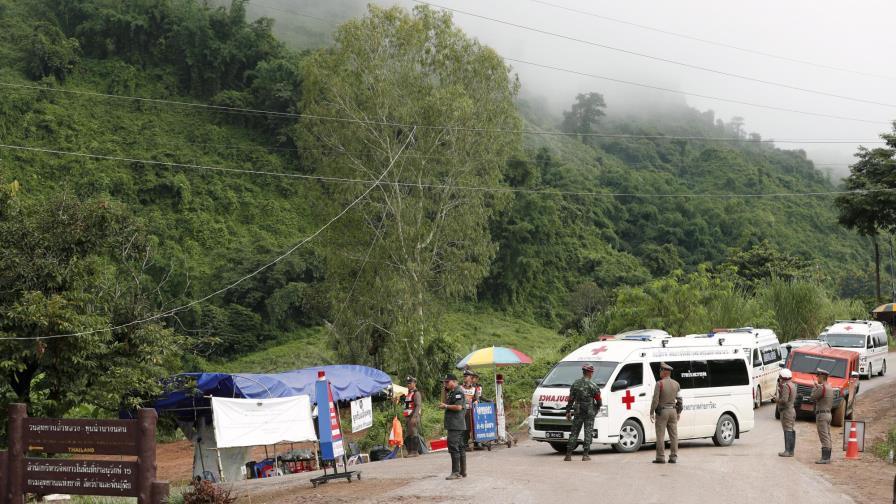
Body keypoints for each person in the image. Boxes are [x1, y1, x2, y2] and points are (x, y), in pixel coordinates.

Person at [564, 363, 601, 461]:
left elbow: (571, 399)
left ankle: (568, 455)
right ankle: (585, 455)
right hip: (589, 411)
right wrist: (596, 408)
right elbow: (599, 400)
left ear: (583, 372)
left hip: (578, 410)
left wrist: (568, 411)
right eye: (592, 372)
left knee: (574, 432)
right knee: (588, 432)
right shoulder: (593, 385)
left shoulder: (575, 384)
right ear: (589, 372)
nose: (592, 374)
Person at [650, 362, 682, 464]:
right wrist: (678, 412)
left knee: (660, 435)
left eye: (660, 371)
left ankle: (660, 457)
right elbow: (680, 400)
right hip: (673, 411)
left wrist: (651, 412)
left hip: (662, 412)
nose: (659, 372)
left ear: (664, 372)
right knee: (674, 436)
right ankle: (673, 457)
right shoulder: (677, 384)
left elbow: (655, 400)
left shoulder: (659, 384)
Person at [440, 373, 468, 479]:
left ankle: (456, 472)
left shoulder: (458, 391)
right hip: (455, 424)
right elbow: (443, 400)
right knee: (460, 447)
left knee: (453, 446)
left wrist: (446, 406)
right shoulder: (452, 392)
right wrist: (444, 390)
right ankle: (462, 472)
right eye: (444, 382)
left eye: (447, 382)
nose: (445, 384)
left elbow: (458, 407)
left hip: (456, 425)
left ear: (454, 381)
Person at [811, 368, 834, 464]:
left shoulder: (821, 388)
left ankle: (825, 458)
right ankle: (827, 457)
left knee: (824, 436)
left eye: (818, 377)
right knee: (827, 435)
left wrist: (815, 387)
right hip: (828, 413)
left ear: (821, 377)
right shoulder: (829, 387)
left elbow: (813, 396)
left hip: (822, 415)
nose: (817, 379)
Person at [776, 368, 796, 457]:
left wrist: (777, 399)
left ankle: (787, 451)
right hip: (791, 410)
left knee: (787, 430)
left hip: (787, 411)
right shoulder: (792, 385)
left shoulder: (786, 386)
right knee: (790, 429)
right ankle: (791, 451)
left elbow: (784, 400)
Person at [402, 376, 423, 457]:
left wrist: (414, 417)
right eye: (408, 383)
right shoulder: (408, 393)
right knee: (408, 434)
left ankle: (414, 452)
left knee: (413, 433)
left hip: (413, 416)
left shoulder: (416, 393)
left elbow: (418, 405)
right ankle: (410, 452)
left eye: (410, 383)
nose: (409, 385)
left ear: (414, 383)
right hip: (408, 417)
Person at [460, 369, 477, 451]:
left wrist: (476, 401)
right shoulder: (460, 387)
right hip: (461, 410)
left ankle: (466, 444)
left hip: (470, 410)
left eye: (466, 376)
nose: (465, 378)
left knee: (469, 428)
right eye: (464, 376)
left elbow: (476, 399)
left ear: (471, 377)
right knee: (462, 427)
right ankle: (463, 445)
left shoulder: (474, 388)